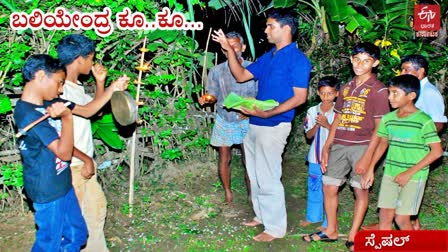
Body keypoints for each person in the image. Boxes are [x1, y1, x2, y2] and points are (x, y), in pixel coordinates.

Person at [212, 8, 311, 242]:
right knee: (254, 174)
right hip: (255, 122)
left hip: (274, 124)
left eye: (270, 26)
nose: (265, 30)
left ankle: (276, 228)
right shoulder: (270, 56)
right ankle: (261, 215)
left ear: (286, 29)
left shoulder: (297, 59)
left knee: (268, 176)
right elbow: (241, 75)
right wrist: (229, 52)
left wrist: (269, 114)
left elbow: (300, 97)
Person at [302, 42, 390, 252]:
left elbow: (381, 130)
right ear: (351, 60)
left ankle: (352, 236)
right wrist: (326, 147)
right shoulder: (347, 88)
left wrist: (368, 161)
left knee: (360, 190)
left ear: (375, 63)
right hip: (339, 145)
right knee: (329, 186)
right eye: (357, 59)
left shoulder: (378, 90)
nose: (360, 64)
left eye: (366, 61)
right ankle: (331, 230)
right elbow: (339, 119)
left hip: (363, 146)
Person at [362, 54, 448, 231]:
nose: (390, 98)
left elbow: (437, 151)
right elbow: (383, 143)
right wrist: (370, 168)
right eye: (389, 93)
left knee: (402, 219)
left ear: (411, 96)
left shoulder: (424, 119)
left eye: (395, 94)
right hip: (391, 172)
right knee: (385, 217)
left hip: (414, 174)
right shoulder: (389, 118)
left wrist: (409, 172)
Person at [14, 54, 88, 251]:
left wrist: (85, 158)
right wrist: (67, 119)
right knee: (49, 244)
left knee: (77, 234)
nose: (61, 89)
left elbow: (89, 111)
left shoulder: (46, 103)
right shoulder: (28, 115)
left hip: (62, 183)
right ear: (40, 76)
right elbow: (63, 154)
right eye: (59, 82)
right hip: (46, 189)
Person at [57, 33, 110, 252]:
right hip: (72, 165)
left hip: (84, 163)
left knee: (96, 211)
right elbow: (59, 136)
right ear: (80, 59)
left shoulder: (76, 86)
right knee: (73, 223)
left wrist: (100, 83)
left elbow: (94, 112)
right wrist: (112, 89)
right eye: (91, 58)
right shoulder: (58, 89)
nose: (92, 63)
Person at [199, 31, 257, 204]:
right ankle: (228, 192)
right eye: (227, 47)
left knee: (249, 160)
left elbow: (261, 96)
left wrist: (249, 109)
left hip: (247, 120)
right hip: (224, 118)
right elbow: (213, 93)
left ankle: (251, 194)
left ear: (243, 47)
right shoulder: (216, 71)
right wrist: (207, 98)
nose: (231, 50)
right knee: (224, 158)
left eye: (235, 46)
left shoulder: (253, 68)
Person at [301, 76, 339, 229]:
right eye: (323, 93)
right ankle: (313, 217)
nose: (326, 97)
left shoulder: (339, 112)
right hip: (315, 157)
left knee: (329, 189)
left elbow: (341, 135)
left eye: (330, 93)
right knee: (314, 187)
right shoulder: (312, 111)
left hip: (333, 158)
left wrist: (328, 125)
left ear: (337, 94)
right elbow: (308, 135)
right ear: (317, 93)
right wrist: (318, 125)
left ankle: (328, 223)